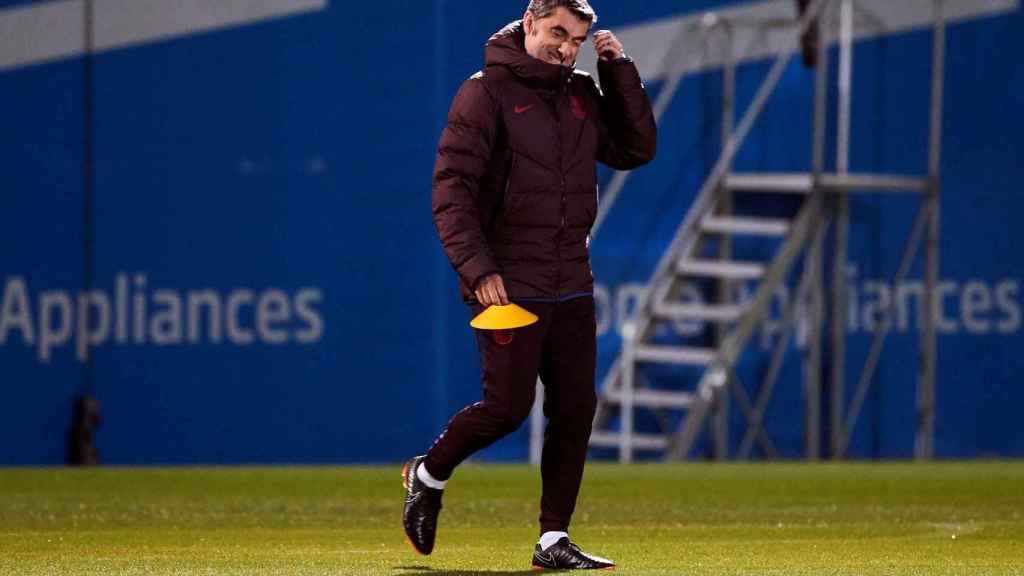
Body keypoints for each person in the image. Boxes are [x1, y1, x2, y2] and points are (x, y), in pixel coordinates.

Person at [403, 0, 656, 570]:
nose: (566, 48)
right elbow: (451, 192)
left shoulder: (582, 92)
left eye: (577, 40)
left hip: (569, 278)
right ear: (530, 21)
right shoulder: (484, 92)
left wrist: (618, 71)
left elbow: (636, 149)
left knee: (575, 408)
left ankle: (552, 540)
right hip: (507, 282)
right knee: (507, 408)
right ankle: (427, 474)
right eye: (557, 34)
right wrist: (479, 269)